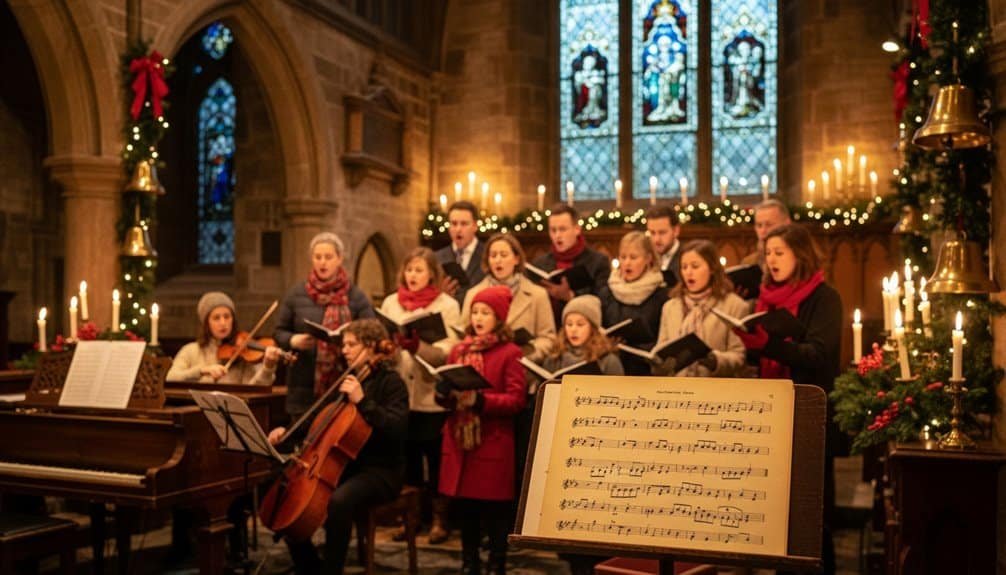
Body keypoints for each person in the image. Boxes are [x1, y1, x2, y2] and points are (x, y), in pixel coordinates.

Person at [733, 224, 841, 575]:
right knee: (774, 517)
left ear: (800, 254)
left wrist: (769, 345)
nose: (772, 259)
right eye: (768, 253)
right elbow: (763, 359)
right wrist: (752, 348)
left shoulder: (824, 298)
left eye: (780, 252)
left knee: (809, 520)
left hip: (808, 417)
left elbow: (819, 356)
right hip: (771, 413)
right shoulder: (763, 299)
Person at [267, 319, 408, 575]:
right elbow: (316, 416)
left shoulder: (392, 383)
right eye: (344, 344)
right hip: (348, 466)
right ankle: (309, 565)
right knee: (284, 487)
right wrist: (285, 434)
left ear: (372, 347)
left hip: (381, 470)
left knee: (339, 501)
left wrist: (363, 402)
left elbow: (396, 429)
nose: (345, 349)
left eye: (352, 344)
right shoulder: (348, 378)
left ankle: (332, 570)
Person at [438, 286, 526, 575]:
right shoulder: (459, 350)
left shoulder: (510, 352)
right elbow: (449, 396)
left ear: (498, 318)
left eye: (485, 313)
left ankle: (496, 562)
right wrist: (443, 393)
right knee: (467, 510)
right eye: (475, 312)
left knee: (495, 511)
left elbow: (516, 399)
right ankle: (469, 562)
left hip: (492, 440)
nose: (478, 318)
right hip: (462, 441)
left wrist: (481, 400)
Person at [378, 247, 459, 544]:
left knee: (435, 459)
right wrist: (390, 345)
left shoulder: (447, 305)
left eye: (419, 270)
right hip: (401, 395)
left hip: (430, 395)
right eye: (410, 269)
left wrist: (419, 347)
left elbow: (450, 349)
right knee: (408, 459)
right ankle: (410, 519)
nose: (413, 275)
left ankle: (440, 519)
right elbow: (382, 342)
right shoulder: (391, 302)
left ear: (431, 274)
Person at [275, 232, 375, 422]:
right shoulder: (296, 294)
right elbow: (279, 332)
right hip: (304, 386)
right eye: (317, 257)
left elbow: (372, 334)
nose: (322, 262)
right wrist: (293, 340)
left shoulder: (356, 296)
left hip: (344, 383)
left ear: (339, 259)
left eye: (328, 257)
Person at [654, 240, 747, 377]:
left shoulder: (734, 305)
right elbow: (663, 349)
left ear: (712, 268)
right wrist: (657, 361)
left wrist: (714, 360)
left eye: (695, 266)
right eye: (684, 267)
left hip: (715, 389)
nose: (688, 272)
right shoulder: (671, 307)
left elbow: (739, 356)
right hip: (677, 389)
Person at [461, 233, 556, 363]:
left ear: (516, 259)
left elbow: (548, 339)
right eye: (493, 255)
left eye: (504, 255)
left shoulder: (537, 294)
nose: (498, 260)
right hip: (484, 367)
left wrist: (522, 356)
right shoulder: (473, 294)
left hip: (522, 368)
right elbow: (463, 335)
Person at [167, 291, 281, 385]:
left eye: (227, 316)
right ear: (206, 323)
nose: (223, 323)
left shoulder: (243, 353)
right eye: (216, 318)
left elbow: (255, 389)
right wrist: (202, 371)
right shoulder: (191, 350)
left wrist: (267, 368)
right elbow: (170, 377)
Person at [598, 231, 669, 376]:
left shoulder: (661, 295)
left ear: (648, 259)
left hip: (646, 371)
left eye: (633, 257)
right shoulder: (607, 292)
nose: (627, 263)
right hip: (611, 369)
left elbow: (664, 339)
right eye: (623, 257)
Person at [531, 203, 610, 325]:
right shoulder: (539, 264)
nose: (557, 235)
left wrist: (570, 296)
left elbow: (603, 303)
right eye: (553, 230)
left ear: (577, 229)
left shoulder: (598, 262)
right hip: (548, 328)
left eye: (562, 229)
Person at [543, 294, 623, 377]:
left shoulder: (608, 361)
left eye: (580, 324)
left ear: (592, 328)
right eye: (569, 324)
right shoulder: (554, 358)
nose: (573, 329)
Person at [435, 201, 486, 306]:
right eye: (454, 224)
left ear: (475, 226)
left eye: (464, 224)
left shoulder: (488, 255)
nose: (458, 229)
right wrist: (439, 294)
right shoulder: (437, 257)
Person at [741, 199, 792, 268]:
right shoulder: (748, 262)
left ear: (787, 224)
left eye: (769, 224)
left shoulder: (798, 260)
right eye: (759, 225)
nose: (763, 231)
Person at [645, 204, 683, 287]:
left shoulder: (686, 257)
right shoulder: (644, 258)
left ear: (676, 231)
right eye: (652, 233)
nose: (656, 239)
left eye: (662, 232)